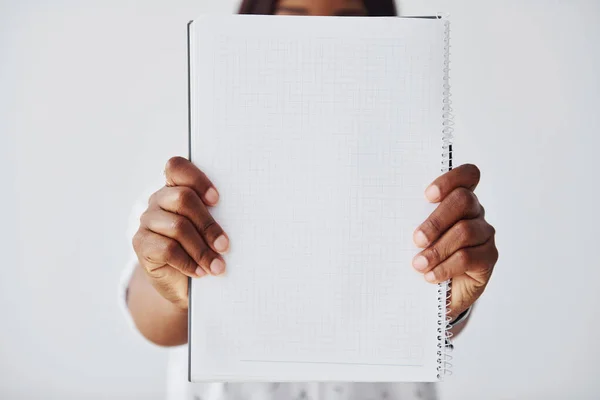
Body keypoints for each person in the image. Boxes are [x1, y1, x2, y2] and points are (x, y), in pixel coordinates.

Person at [121, 0, 499, 399]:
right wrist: (169, 281)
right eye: (291, 27)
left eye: (350, 27)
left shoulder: (422, 181)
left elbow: (433, 310)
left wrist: (448, 304)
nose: (322, 50)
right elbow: (154, 319)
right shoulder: (190, 189)